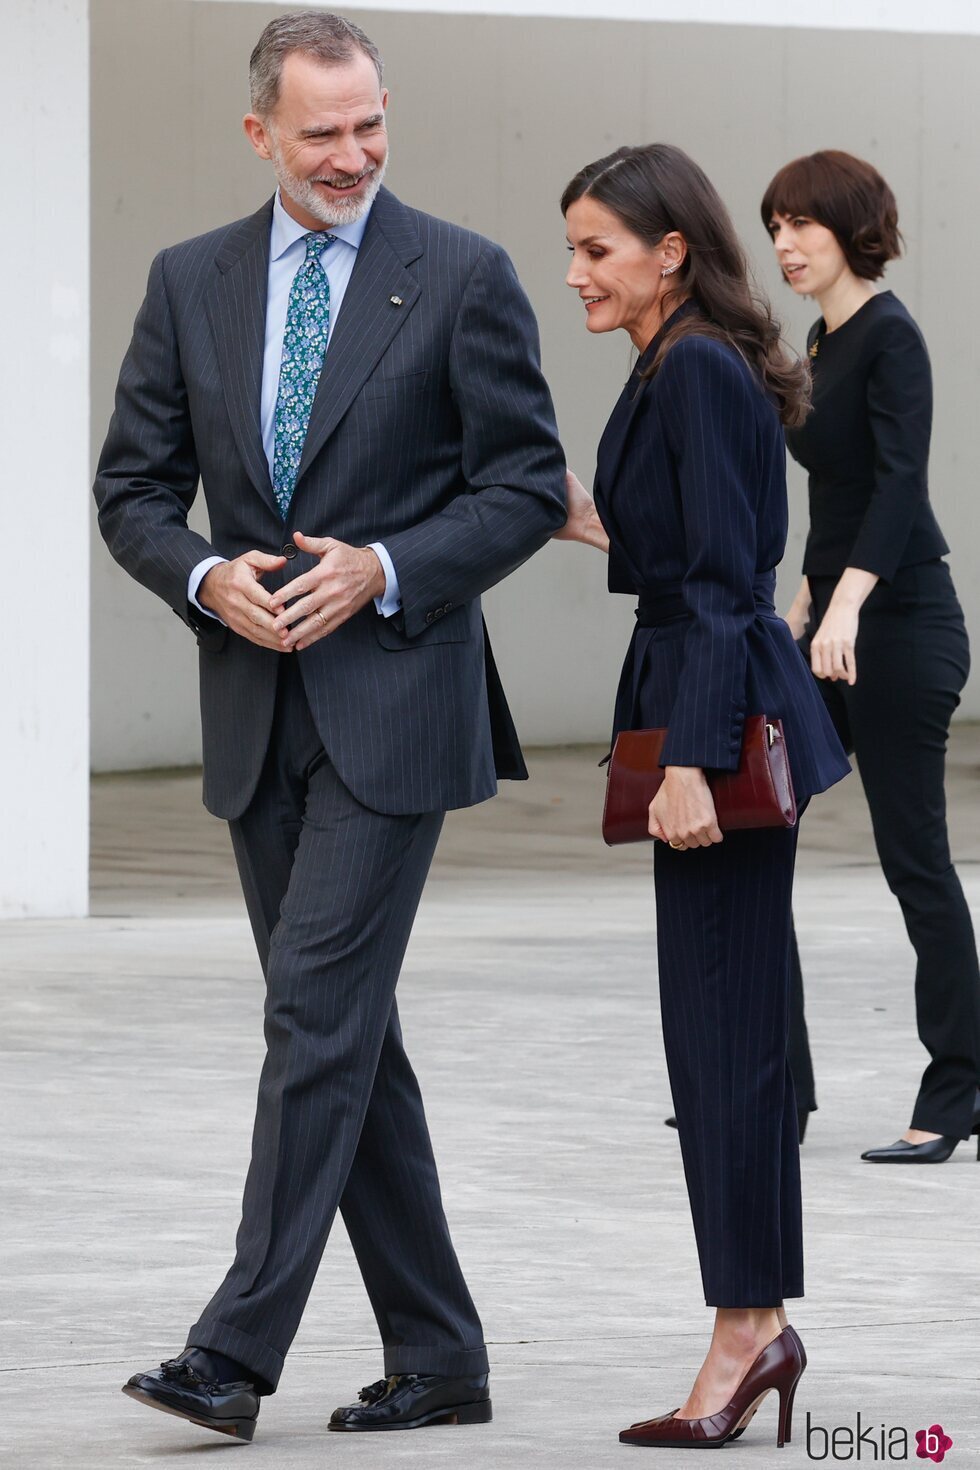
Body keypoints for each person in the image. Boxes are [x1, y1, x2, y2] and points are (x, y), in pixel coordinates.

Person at [94, 9, 565, 1443]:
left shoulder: (464, 276)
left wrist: (390, 564)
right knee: (347, 1037)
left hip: (396, 704)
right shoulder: (191, 281)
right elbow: (130, 489)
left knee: (311, 1014)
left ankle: (233, 1350)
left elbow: (529, 486)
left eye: (371, 125)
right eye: (323, 133)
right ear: (261, 135)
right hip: (255, 715)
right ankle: (442, 1355)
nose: (355, 153)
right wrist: (201, 572)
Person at [557, 143, 849, 1449]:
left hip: (715, 727)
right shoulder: (684, 366)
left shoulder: (694, 371)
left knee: (725, 1042)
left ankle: (747, 1329)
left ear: (671, 249)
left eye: (597, 249)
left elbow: (730, 583)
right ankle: (754, 1316)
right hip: (710, 701)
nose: (576, 273)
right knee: (730, 1037)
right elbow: (694, 541)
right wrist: (586, 515)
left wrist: (687, 756)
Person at [762, 149, 980, 1164]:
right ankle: (773, 1081)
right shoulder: (820, 337)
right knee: (759, 837)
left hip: (901, 627)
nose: (782, 245)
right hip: (834, 620)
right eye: (772, 227)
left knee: (912, 862)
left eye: (798, 224)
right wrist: (801, 602)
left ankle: (958, 1088)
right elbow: (834, 494)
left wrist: (844, 605)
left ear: (850, 227)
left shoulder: (891, 337)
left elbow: (896, 489)